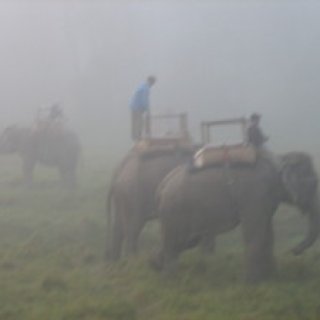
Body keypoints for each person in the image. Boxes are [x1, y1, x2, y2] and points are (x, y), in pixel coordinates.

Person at [130, 76, 156, 141]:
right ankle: (139, 137)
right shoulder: (146, 88)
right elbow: (144, 100)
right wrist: (147, 110)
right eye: (153, 83)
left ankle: (134, 136)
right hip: (138, 107)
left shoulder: (142, 85)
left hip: (133, 106)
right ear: (151, 82)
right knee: (140, 122)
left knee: (134, 122)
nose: (152, 85)